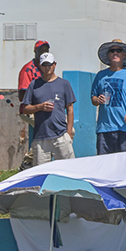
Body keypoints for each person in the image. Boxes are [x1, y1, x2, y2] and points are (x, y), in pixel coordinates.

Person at [20, 53, 76, 166]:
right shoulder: (34, 85)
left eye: (49, 64)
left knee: (68, 170)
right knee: (41, 173)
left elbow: (70, 109)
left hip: (60, 135)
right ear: (40, 66)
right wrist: (39, 107)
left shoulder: (64, 84)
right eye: (44, 65)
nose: (47, 67)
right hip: (41, 138)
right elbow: (24, 108)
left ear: (55, 65)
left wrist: (68, 133)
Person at [91, 39, 126, 155]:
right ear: (108, 55)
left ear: (123, 55)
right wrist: (97, 100)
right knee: (104, 165)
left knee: (125, 164)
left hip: (124, 128)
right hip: (104, 129)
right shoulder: (101, 75)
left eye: (118, 50)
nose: (115, 53)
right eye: (112, 51)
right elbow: (93, 99)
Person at [17, 40, 50, 169]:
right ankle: (28, 161)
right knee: (46, 129)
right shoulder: (28, 69)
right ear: (35, 52)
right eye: (41, 50)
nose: (43, 53)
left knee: (65, 130)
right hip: (30, 109)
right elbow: (23, 96)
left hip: (46, 109)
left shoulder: (47, 69)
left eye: (46, 50)